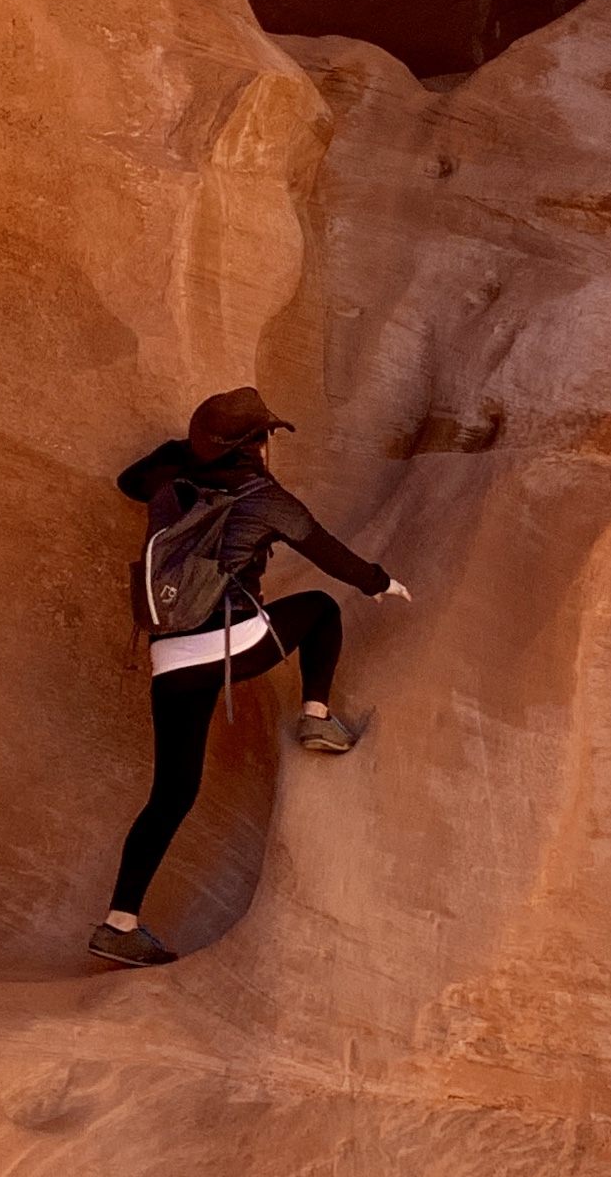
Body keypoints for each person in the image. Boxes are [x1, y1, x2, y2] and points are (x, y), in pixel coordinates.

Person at [90, 387, 408, 967]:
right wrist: (379, 582)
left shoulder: (167, 481)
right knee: (320, 610)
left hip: (171, 660)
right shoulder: (264, 495)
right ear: (255, 444)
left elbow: (126, 482)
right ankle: (316, 718)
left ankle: (119, 923)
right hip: (234, 642)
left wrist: (186, 452)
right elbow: (327, 552)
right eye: (264, 435)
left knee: (173, 793)